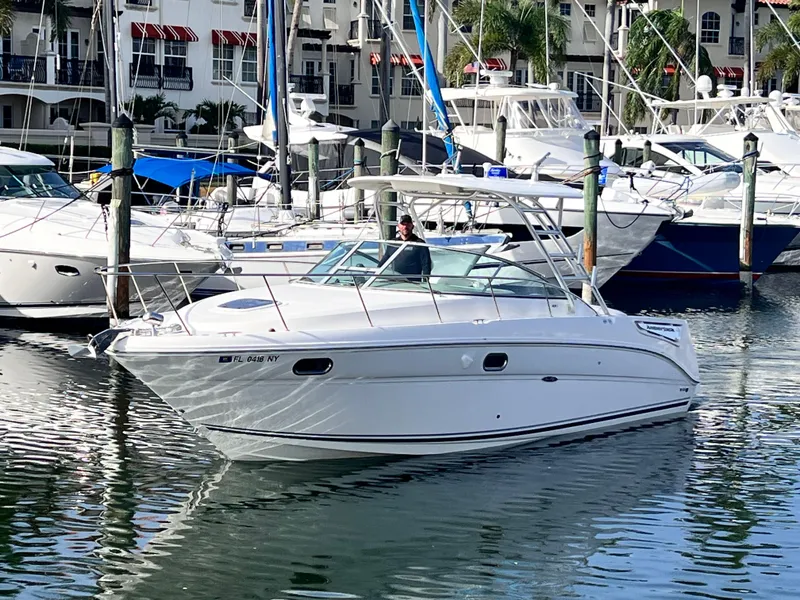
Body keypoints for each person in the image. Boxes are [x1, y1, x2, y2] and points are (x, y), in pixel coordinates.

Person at [377, 215, 432, 281]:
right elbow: (384, 261)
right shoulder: (393, 243)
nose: (405, 227)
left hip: (413, 283)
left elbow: (426, 264)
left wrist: (426, 281)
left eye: (408, 224)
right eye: (403, 224)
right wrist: (375, 274)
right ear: (399, 226)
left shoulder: (419, 243)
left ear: (412, 226)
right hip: (394, 283)